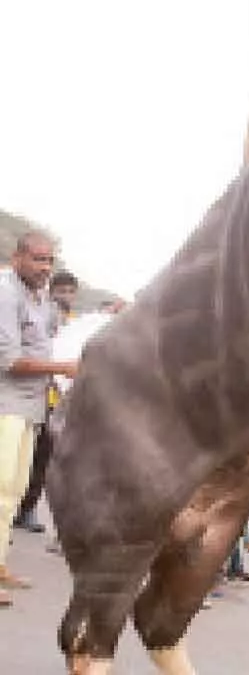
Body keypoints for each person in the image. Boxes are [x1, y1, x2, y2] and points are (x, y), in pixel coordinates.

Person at [0, 232, 77, 608]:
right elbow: (11, 361)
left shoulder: (43, 300)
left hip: (30, 407)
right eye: (37, 259)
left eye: (49, 261)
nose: (45, 268)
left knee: (12, 494)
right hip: (5, 404)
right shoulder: (5, 293)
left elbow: (51, 344)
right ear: (18, 257)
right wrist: (65, 367)